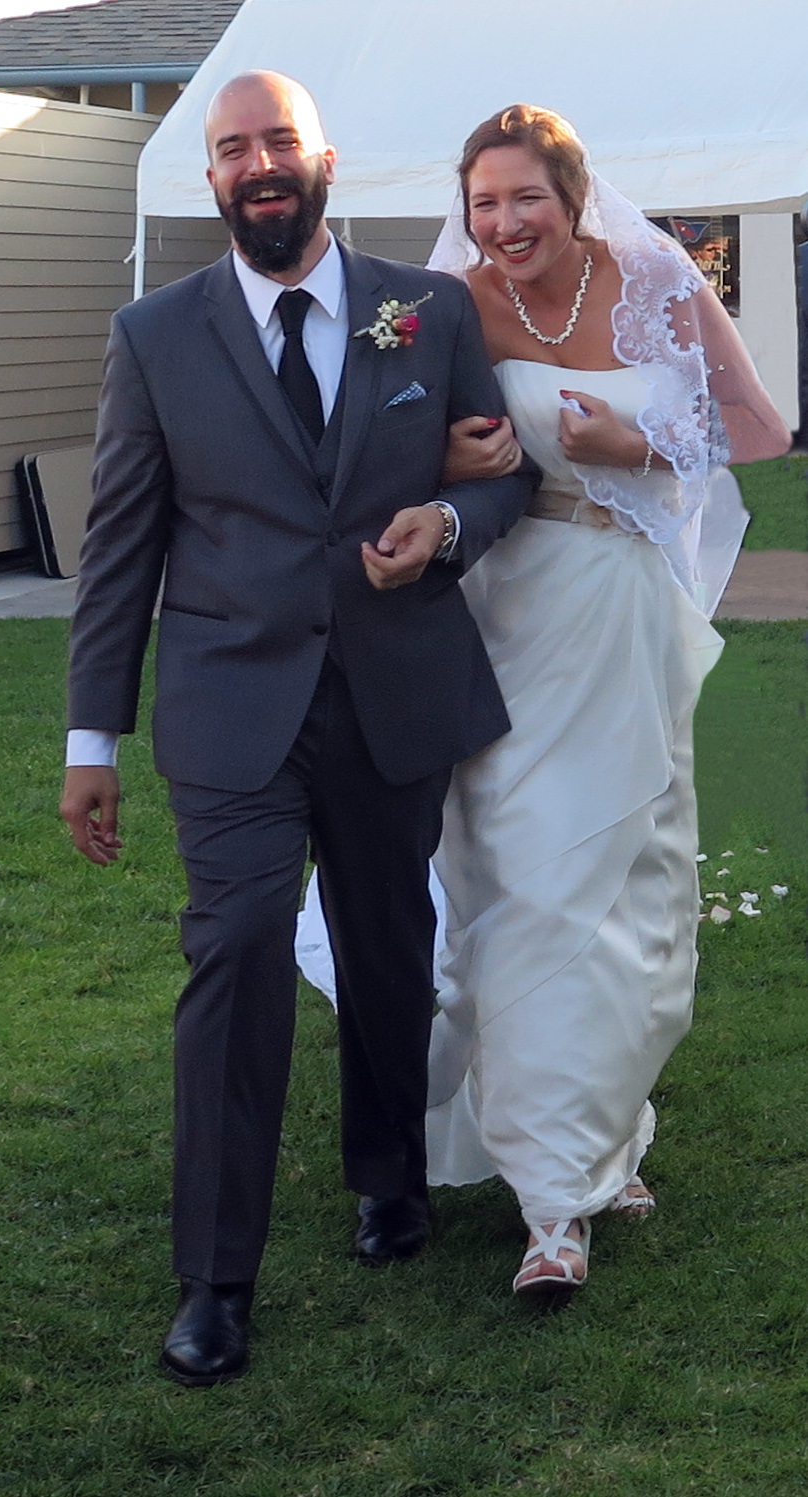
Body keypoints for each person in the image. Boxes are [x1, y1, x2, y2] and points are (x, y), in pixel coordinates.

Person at [60, 71, 532, 1386]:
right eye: (232, 148)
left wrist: (445, 523)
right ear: (212, 177)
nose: (257, 163)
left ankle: (388, 1171)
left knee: (387, 945)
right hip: (231, 709)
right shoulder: (154, 335)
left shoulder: (426, 309)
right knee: (237, 952)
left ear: (322, 159)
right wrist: (92, 742)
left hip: (393, 693)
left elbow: (502, 472)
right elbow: (119, 550)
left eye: (278, 140)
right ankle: (215, 1278)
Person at [297, 105, 791, 1295]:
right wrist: (449, 467)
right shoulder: (446, 304)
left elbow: (759, 427)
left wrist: (637, 445)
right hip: (495, 620)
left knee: (629, 891)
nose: (503, 223)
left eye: (525, 198)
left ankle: (598, 1139)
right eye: (483, 202)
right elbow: (377, 446)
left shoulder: (657, 282)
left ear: (572, 199)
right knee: (518, 888)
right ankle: (553, 1202)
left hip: (618, 615)